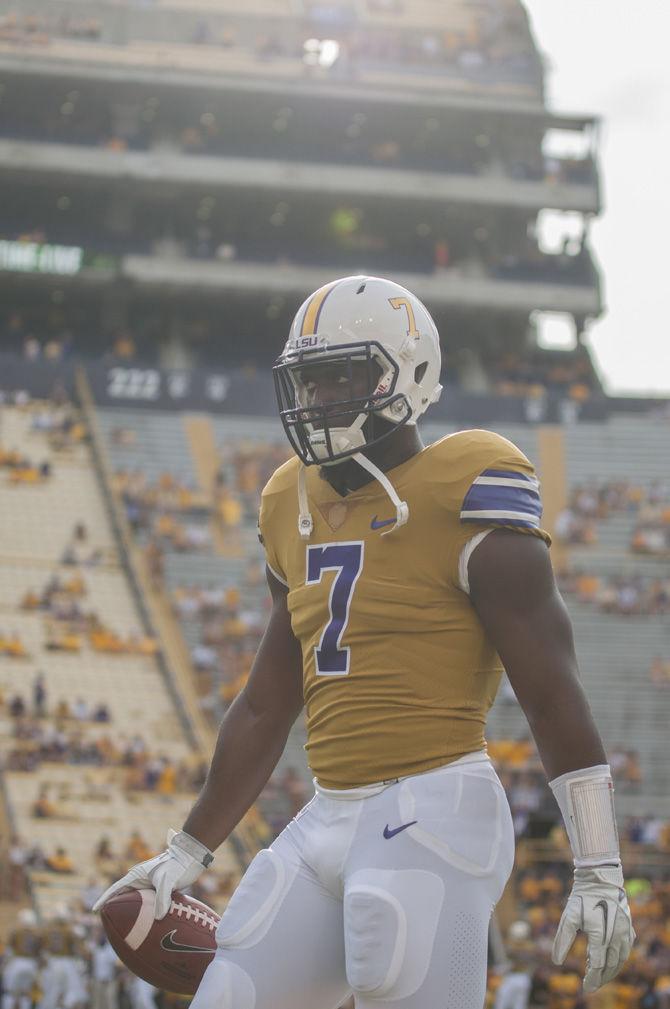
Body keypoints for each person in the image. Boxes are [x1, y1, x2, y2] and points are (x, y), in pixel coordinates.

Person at [95, 276, 635, 1009]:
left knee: (389, 961)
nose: (320, 401)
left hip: (434, 800)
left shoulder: (465, 480)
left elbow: (550, 686)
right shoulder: (290, 498)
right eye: (311, 381)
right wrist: (186, 847)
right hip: (329, 809)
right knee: (231, 995)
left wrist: (598, 859)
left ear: (408, 374)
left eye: (345, 376)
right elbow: (264, 701)